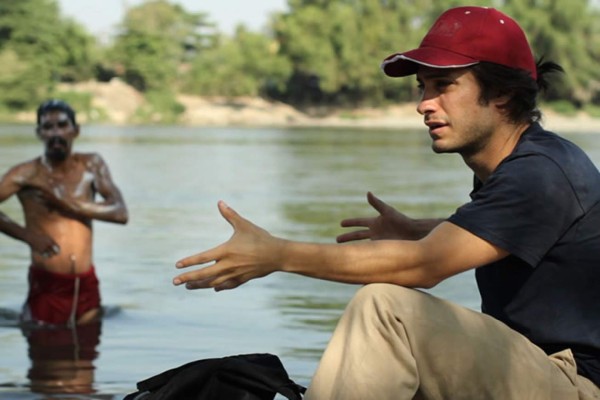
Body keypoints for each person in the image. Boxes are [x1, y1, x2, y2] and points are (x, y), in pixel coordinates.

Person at [172, 6, 600, 400]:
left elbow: (424, 267)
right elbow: (522, 234)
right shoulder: (524, 165)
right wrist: (424, 229)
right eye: (422, 87)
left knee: (385, 308)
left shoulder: (540, 172)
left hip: (575, 383)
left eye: (444, 86)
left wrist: (277, 255)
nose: (423, 105)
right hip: (535, 368)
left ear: (503, 93)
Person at [0, 99, 128, 326]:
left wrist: (66, 204)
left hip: (86, 282)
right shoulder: (26, 174)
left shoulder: (91, 165)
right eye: (48, 127)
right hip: (47, 283)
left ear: (75, 130)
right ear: (39, 133)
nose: (55, 133)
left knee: (87, 355)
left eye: (62, 125)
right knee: (47, 356)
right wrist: (29, 236)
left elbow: (120, 213)